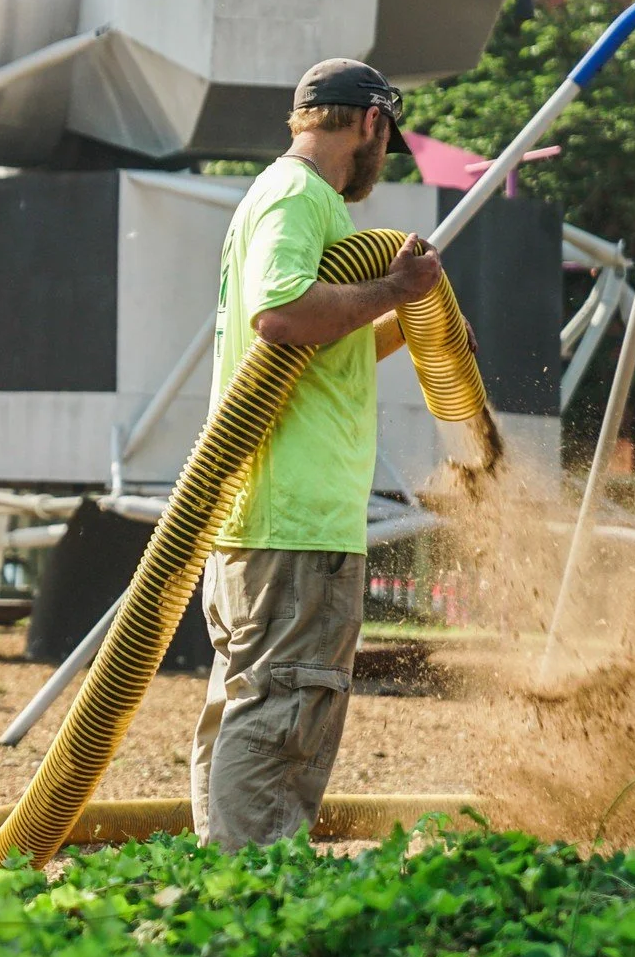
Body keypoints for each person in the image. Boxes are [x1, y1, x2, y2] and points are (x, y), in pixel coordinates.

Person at [189, 57, 465, 851]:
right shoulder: (300, 196)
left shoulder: (280, 196)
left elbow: (315, 346)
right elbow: (283, 316)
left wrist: (410, 318)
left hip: (265, 517)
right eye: (387, 137)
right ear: (373, 121)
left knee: (249, 712)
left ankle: (221, 888)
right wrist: (393, 291)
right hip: (296, 522)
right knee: (279, 720)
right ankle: (252, 898)